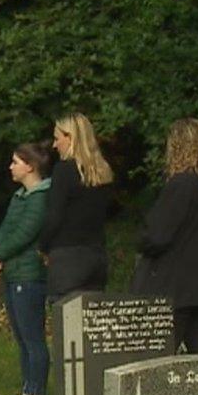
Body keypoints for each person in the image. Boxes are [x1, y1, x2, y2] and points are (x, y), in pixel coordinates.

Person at [131, 118, 198, 354]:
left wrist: (142, 240)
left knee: (159, 358)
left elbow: (156, 235)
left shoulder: (182, 184)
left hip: (177, 287)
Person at [0, 142, 52, 395]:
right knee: (21, 337)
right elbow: (6, 230)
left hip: (30, 275)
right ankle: (27, 392)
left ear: (30, 166)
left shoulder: (41, 197)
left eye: (15, 162)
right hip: (13, 273)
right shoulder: (20, 197)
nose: (11, 167)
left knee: (33, 337)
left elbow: (25, 233)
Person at [37, 112, 114, 304]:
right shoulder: (102, 172)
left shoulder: (64, 170)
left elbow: (54, 216)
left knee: (66, 327)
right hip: (96, 257)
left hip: (68, 259)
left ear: (70, 137)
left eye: (57, 138)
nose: (55, 145)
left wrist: (43, 246)